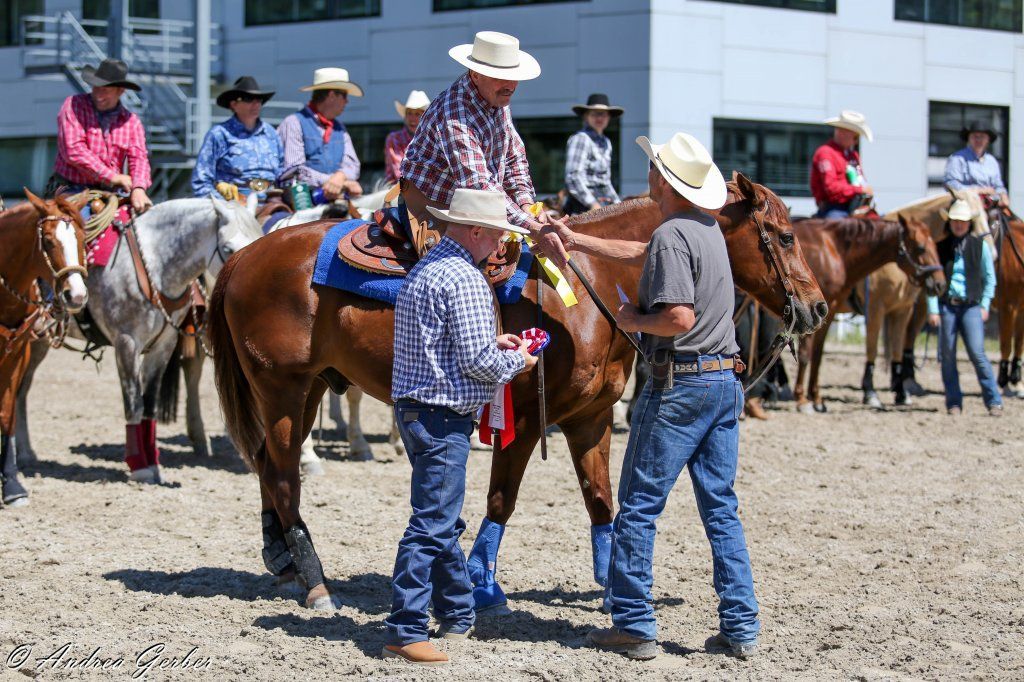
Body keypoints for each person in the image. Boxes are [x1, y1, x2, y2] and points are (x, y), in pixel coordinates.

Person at [553, 132, 760, 660]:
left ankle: (633, 623)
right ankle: (740, 626)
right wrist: (576, 241)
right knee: (721, 509)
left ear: (665, 181)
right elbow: (643, 251)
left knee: (640, 507)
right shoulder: (705, 229)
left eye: (654, 169)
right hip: (721, 382)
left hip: (681, 385)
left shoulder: (672, 233)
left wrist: (631, 319)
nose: (648, 175)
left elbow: (677, 318)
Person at [385, 188, 538, 665]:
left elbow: (440, 339)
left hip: (414, 410)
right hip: (443, 414)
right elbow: (479, 364)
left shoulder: (427, 270)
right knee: (431, 525)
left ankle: (457, 611)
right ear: (475, 230)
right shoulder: (467, 280)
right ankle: (405, 629)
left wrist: (493, 341)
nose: (499, 244)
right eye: (495, 233)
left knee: (442, 517)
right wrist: (518, 359)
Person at [400, 30, 570, 267]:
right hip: (431, 205)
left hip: (477, 205)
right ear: (476, 74)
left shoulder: (496, 100)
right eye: (501, 76)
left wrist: (527, 207)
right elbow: (477, 185)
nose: (511, 85)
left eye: (514, 76)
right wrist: (532, 227)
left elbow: (514, 160)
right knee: (460, 273)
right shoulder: (454, 113)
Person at [928, 199, 1003, 417]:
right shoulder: (940, 248)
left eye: (962, 221)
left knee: (978, 354)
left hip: (971, 306)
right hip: (947, 306)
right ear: (950, 222)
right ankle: (954, 402)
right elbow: (932, 283)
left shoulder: (980, 247)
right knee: (947, 355)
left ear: (969, 223)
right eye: (955, 221)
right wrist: (933, 308)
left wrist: (985, 304)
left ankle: (993, 400)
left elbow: (989, 278)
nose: (959, 225)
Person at [49, 58, 153, 214]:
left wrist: (139, 188)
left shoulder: (132, 122)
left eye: (105, 89)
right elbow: (74, 150)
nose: (98, 94)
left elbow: (139, 158)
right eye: (96, 87)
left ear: (120, 91)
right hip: (71, 190)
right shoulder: (73, 105)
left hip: (110, 193)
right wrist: (112, 177)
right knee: (74, 231)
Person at [278, 67, 364, 200]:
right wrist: (335, 181)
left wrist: (340, 177)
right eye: (344, 96)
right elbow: (294, 169)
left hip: (335, 198)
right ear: (331, 96)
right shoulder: (293, 123)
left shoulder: (339, 128)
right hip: (301, 201)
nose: (347, 101)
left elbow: (353, 165)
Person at [191, 76, 283, 198]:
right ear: (234, 104)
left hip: (271, 201)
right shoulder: (219, 134)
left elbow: (283, 171)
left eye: (259, 100)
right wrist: (221, 201)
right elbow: (201, 181)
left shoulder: (271, 133)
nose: (255, 104)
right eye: (248, 99)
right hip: (234, 204)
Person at [563, 93, 623, 214]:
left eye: (603, 114)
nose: (599, 118)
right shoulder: (581, 138)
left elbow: (605, 181)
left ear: (608, 117)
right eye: (595, 114)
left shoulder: (606, 142)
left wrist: (619, 205)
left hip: (604, 200)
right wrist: (593, 204)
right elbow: (573, 177)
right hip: (582, 206)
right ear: (586, 116)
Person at [810, 110, 873, 218]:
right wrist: (860, 190)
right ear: (843, 132)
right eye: (855, 137)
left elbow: (860, 180)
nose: (856, 142)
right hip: (834, 208)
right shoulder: (825, 153)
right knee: (840, 228)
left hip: (856, 205)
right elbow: (831, 188)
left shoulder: (853, 155)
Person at [944, 120, 1009, 208]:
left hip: (990, 203)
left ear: (988, 140)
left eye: (982, 137)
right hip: (965, 203)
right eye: (975, 136)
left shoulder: (992, 161)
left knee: (1013, 221)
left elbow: (998, 185)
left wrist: (1003, 194)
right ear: (969, 139)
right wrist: (978, 190)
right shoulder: (957, 158)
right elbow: (951, 183)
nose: (978, 140)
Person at [384, 90, 431, 185]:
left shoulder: (431, 140)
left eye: (417, 114)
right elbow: (400, 173)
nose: (412, 118)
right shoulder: (394, 139)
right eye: (409, 113)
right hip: (397, 190)